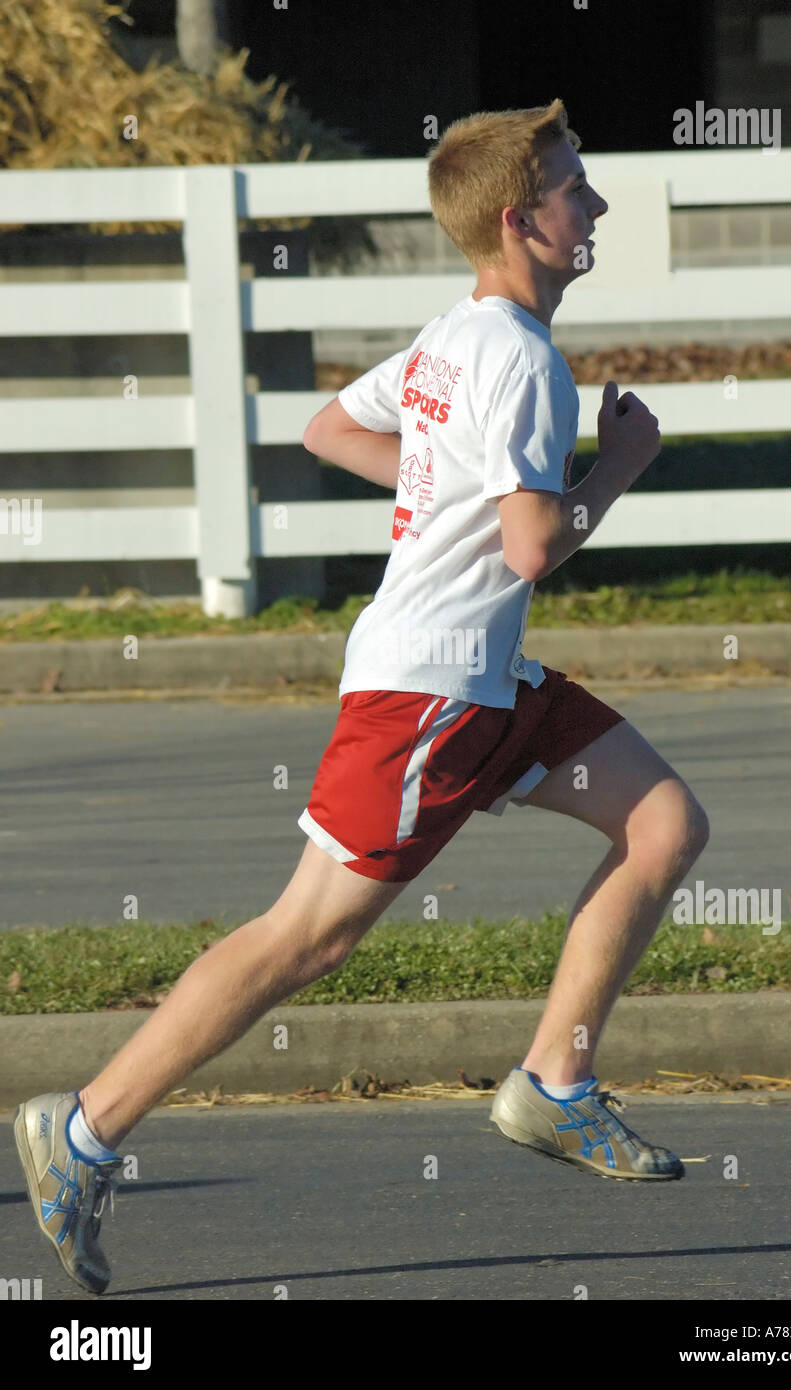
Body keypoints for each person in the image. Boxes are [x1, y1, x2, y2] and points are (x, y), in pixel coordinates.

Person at [14, 97, 709, 1295]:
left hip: (487, 683)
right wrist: (625, 468)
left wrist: (444, 493)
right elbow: (538, 547)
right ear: (520, 218)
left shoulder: (453, 338)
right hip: (427, 699)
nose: (593, 205)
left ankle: (556, 1080)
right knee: (305, 938)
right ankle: (82, 1131)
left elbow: (331, 427)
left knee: (665, 823)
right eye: (576, 189)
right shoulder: (526, 362)